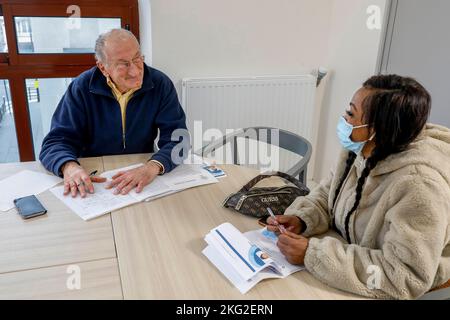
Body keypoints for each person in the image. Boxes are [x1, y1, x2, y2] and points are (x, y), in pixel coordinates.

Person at [267, 74, 450, 299]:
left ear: (377, 129)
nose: (344, 118)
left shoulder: (419, 186)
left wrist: (312, 255)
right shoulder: (360, 149)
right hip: (350, 253)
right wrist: (302, 219)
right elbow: (328, 193)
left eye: (351, 114)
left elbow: (404, 277)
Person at [39, 29, 188, 198]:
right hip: (94, 177)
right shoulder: (81, 88)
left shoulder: (160, 84)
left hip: (141, 171)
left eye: (137, 58)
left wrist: (152, 167)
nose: (135, 71)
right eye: (123, 64)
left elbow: (180, 141)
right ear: (103, 68)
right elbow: (55, 142)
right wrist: (69, 166)